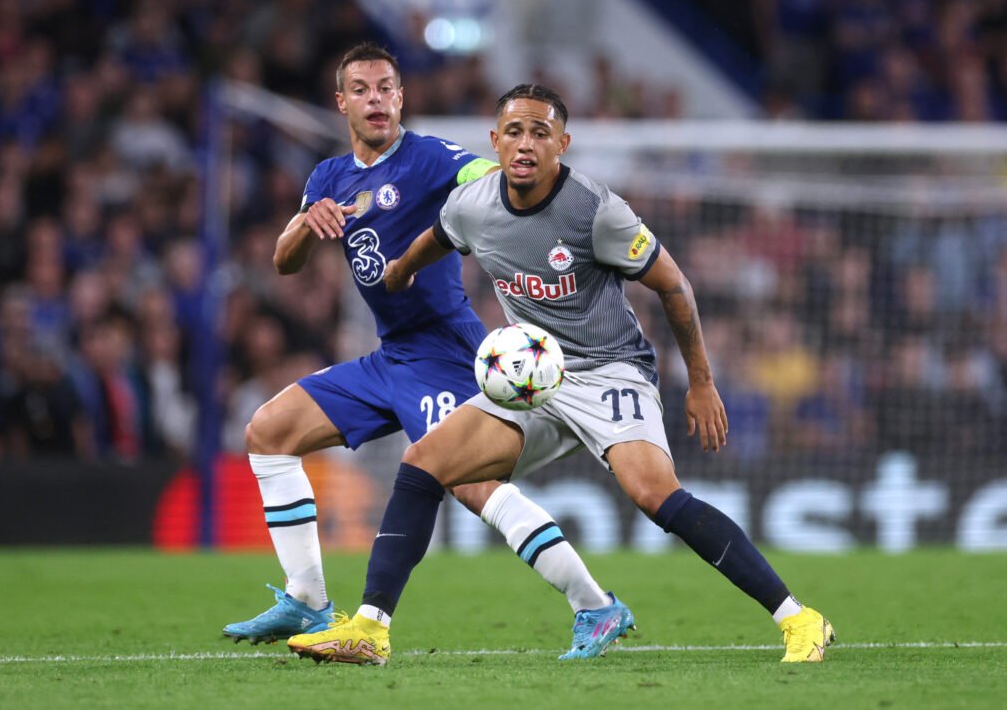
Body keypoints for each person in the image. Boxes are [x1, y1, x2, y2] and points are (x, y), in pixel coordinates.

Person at [287, 84, 835, 666]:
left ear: (562, 145)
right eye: (515, 132)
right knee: (423, 464)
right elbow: (439, 237)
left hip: (610, 372)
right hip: (534, 378)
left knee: (655, 494)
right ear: (495, 142)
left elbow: (674, 285)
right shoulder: (473, 204)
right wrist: (397, 272)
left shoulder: (596, 211)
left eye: (540, 134)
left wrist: (700, 381)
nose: (526, 145)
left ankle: (799, 619)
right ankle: (370, 631)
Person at [224, 45, 631, 661]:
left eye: (386, 88)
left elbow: (482, 177)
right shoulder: (329, 177)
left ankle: (595, 604)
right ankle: (306, 599)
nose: (376, 100)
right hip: (389, 356)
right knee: (269, 430)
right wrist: (308, 221)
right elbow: (284, 262)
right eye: (361, 90)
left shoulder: (430, 158)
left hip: (445, 352)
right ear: (342, 103)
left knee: (471, 485)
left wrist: (523, 182)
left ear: (401, 97)